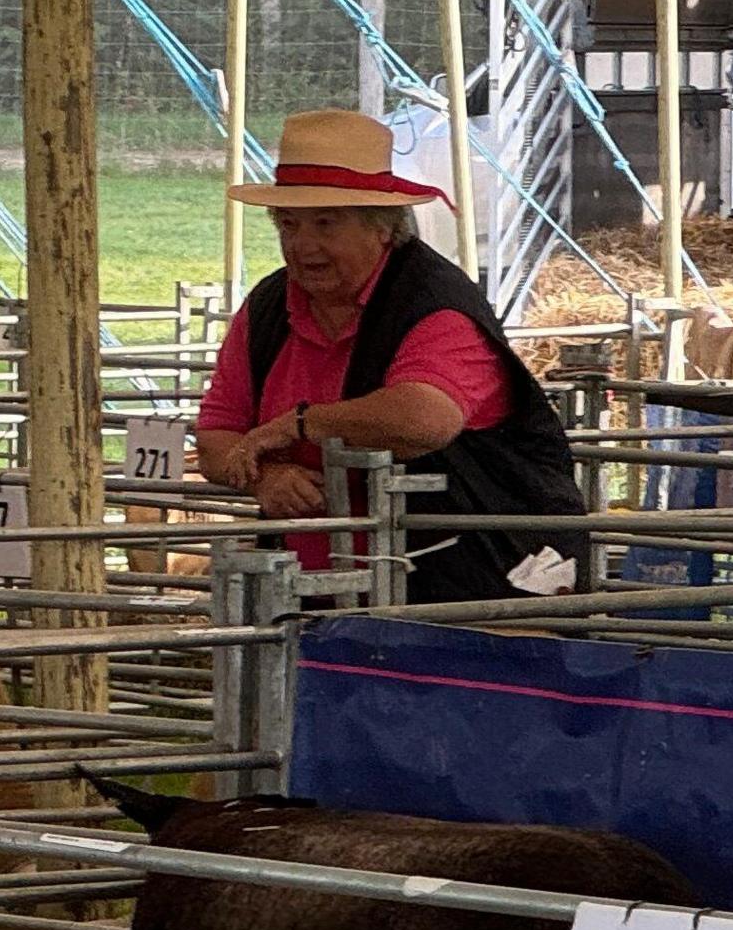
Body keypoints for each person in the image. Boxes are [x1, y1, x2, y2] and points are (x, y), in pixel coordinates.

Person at [193, 109, 587, 602]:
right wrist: (264, 476)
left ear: (381, 228)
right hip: (310, 594)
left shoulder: (435, 306)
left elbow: (423, 419)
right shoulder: (270, 308)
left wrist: (298, 424)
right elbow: (215, 436)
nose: (302, 245)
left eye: (325, 224)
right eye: (289, 225)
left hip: (472, 595)